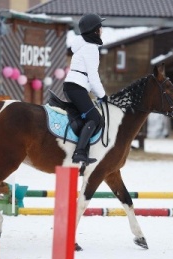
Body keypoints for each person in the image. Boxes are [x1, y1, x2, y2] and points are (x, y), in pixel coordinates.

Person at [63, 13, 108, 165]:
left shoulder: (82, 46)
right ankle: (79, 153)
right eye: (100, 27)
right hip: (77, 88)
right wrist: (102, 95)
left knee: (86, 116)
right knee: (95, 118)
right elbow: (93, 76)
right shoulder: (90, 48)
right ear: (95, 30)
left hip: (72, 87)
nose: (102, 29)